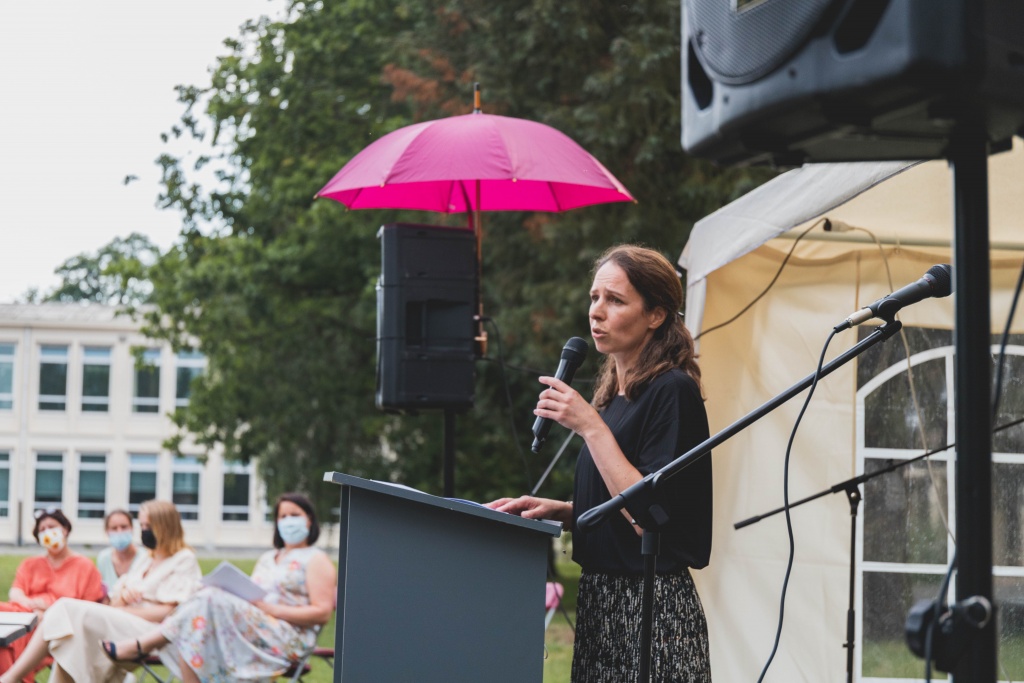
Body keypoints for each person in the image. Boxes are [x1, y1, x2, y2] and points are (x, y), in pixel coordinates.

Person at [488, 245, 713, 682]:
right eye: (594, 298)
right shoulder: (613, 395)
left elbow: (649, 517)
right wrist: (570, 513)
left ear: (656, 314)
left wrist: (591, 427)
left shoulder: (672, 391)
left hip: (650, 605)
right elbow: (620, 500)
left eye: (615, 300)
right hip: (601, 599)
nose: (596, 312)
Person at [102, 492, 336, 683]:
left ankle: (144, 643)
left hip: (287, 638)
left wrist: (271, 610)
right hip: (255, 628)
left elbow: (322, 613)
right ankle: (150, 647)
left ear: (309, 520)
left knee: (208, 597)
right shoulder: (267, 558)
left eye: (294, 515)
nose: (287, 521)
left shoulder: (316, 560)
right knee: (199, 610)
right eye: (282, 516)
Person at [0, 500, 202, 683]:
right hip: (121, 623)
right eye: (142, 525)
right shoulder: (147, 559)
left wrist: (122, 611)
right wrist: (123, 597)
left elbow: (171, 612)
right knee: (70, 638)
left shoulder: (183, 559)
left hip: (151, 633)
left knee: (64, 608)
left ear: (164, 526)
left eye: (147, 526)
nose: (143, 531)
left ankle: (11, 677)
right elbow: (114, 600)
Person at [0, 509, 104, 681]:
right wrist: (32, 607)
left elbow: (87, 609)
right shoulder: (31, 564)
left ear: (65, 530)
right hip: (24, 616)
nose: (47, 532)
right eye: (42, 529)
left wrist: (48, 610)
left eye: (52, 527)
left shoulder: (85, 567)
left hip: (57, 629)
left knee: (6, 642)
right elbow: (15, 592)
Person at [95, 509, 146, 596]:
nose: (119, 532)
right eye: (114, 528)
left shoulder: (145, 557)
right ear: (107, 531)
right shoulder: (103, 558)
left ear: (132, 528)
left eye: (124, 527)